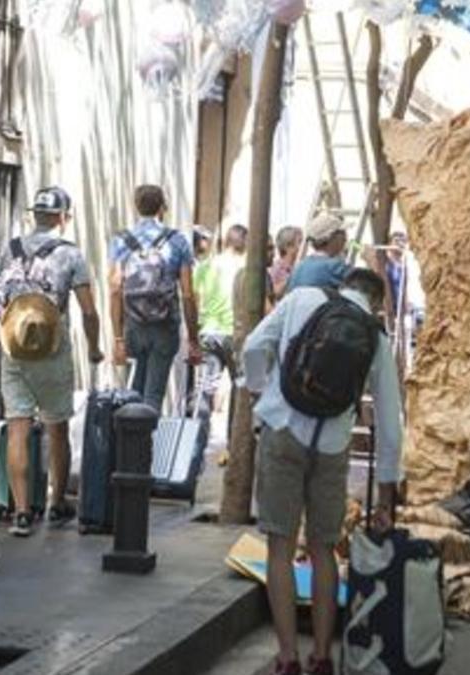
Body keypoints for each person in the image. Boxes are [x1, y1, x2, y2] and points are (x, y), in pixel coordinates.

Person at [243, 268, 403, 675]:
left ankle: (286, 657)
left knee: (280, 548)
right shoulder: (375, 336)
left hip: (282, 431)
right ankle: (321, 657)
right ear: (377, 302)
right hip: (332, 446)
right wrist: (386, 493)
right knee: (324, 549)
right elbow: (390, 420)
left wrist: (261, 389)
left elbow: (253, 345)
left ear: (344, 284)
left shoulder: (302, 299)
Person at [0, 186, 103, 537]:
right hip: (52, 350)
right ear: (63, 217)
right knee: (57, 427)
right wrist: (94, 347)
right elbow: (89, 310)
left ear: (35, 215)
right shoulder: (70, 255)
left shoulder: (10, 249)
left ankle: (22, 512)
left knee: (18, 427)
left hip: (13, 347)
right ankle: (57, 502)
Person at [110, 185, 201, 409]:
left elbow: (114, 289)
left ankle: (129, 441)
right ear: (163, 208)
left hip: (133, 324)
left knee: (133, 390)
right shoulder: (178, 241)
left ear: (136, 207)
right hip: (165, 325)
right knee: (154, 393)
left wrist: (118, 339)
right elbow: (188, 294)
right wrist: (193, 338)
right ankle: (147, 442)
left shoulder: (122, 240)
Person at [190, 226, 234, 428]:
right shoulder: (246, 267)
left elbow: (194, 301)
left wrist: (193, 336)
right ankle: (235, 447)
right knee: (241, 391)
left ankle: (195, 447)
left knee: (205, 391)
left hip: (208, 333)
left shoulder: (204, 267)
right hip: (235, 335)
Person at [284, 213, 350, 293]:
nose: (346, 237)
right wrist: (369, 258)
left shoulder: (300, 266)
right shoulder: (334, 267)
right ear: (332, 238)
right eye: (342, 233)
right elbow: (365, 283)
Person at [267, 225, 303, 303]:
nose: (301, 247)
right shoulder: (277, 268)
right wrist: (292, 277)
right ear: (288, 246)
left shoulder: (297, 266)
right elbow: (275, 292)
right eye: (299, 242)